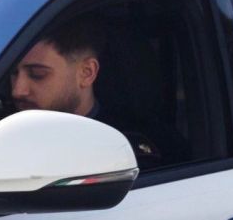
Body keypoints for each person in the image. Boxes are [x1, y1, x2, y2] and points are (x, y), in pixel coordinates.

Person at [10, 17, 168, 167]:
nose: (17, 91)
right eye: (13, 73)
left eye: (37, 74)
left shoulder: (122, 153)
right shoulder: (6, 132)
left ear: (86, 73)